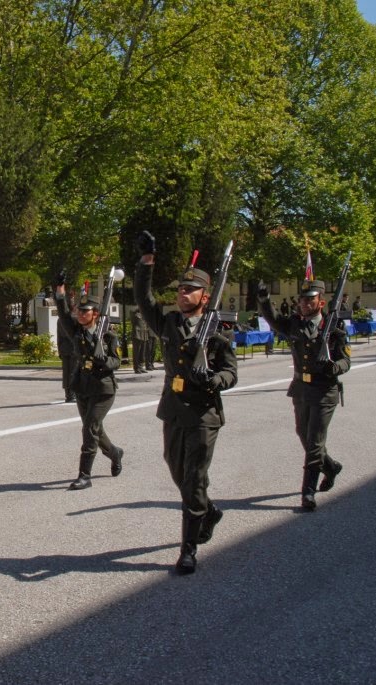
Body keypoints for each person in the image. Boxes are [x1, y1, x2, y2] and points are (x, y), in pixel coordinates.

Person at [134, 232, 237, 575]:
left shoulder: (218, 332)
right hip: (174, 410)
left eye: (190, 290)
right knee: (175, 468)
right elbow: (144, 299)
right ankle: (207, 511)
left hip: (204, 414)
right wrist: (147, 261)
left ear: (205, 297)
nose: (182, 293)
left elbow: (230, 372)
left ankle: (188, 550)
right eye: (180, 289)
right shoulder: (169, 323)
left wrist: (214, 379)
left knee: (193, 479)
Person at [258, 277, 351, 513]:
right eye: (302, 299)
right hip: (301, 388)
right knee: (303, 433)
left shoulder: (334, 329)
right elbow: (273, 320)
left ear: (321, 302)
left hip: (324, 390)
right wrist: (264, 300)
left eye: (310, 300)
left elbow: (345, 361)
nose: (304, 303)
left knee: (315, 441)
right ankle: (330, 467)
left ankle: (307, 492)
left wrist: (334, 367)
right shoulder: (295, 325)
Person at [54, 275, 124, 491]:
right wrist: (60, 291)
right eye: (80, 311)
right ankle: (114, 452)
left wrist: (104, 361)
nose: (81, 314)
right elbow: (65, 313)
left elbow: (117, 361)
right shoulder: (77, 332)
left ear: (95, 314)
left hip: (103, 388)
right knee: (94, 429)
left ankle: (85, 475)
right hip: (83, 386)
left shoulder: (108, 336)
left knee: (89, 429)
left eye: (85, 311)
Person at [56, 295, 77, 402]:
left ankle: (68, 394)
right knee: (73, 371)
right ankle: (72, 394)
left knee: (66, 372)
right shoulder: (74, 318)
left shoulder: (60, 320)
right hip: (73, 348)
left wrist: (59, 350)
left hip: (64, 348)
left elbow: (59, 337)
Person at [131, 307, 151, 374]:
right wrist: (139, 306)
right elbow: (132, 311)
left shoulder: (144, 315)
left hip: (144, 335)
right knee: (137, 352)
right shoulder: (135, 314)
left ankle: (141, 366)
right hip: (137, 335)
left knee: (142, 352)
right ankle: (136, 368)